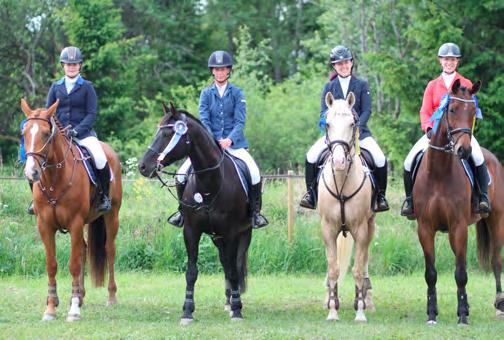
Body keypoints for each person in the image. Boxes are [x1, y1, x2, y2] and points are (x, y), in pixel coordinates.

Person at [167, 50, 268, 229]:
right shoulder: (206, 94)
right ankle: (182, 212)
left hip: (234, 144)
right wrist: (213, 140)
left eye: (223, 69)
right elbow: (204, 120)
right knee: (181, 174)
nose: (220, 72)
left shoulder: (237, 93)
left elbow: (240, 121)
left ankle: (255, 213)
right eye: (217, 69)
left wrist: (229, 140)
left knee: (254, 171)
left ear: (229, 71)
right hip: (209, 146)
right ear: (212, 71)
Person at [401, 42, 490, 218]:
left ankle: (482, 198)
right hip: (434, 134)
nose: (449, 62)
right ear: (440, 61)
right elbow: (425, 111)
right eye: (446, 59)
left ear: (457, 62)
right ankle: (410, 201)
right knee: (408, 160)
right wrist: (427, 127)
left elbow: (471, 112)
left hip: (460, 133)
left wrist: (466, 132)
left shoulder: (466, 83)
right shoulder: (432, 85)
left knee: (478, 157)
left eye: (453, 59)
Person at [299, 45, 390, 212]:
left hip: (359, 134)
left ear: (351, 63)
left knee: (380, 159)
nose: (344, 66)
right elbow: (323, 112)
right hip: (335, 136)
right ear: (334, 66)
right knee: (311, 156)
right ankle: (311, 195)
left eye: (346, 62)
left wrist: (358, 128)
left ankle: (380, 197)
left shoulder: (361, 85)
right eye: (339, 63)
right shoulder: (329, 87)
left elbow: (367, 110)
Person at [27, 46, 111, 215]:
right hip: (58, 136)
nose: (71, 67)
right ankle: (35, 199)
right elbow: (46, 113)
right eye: (68, 64)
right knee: (34, 159)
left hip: (83, 135)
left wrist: (77, 130)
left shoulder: (87, 87)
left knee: (101, 158)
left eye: (75, 64)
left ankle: (103, 197)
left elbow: (91, 114)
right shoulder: (55, 87)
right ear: (63, 66)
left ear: (80, 66)